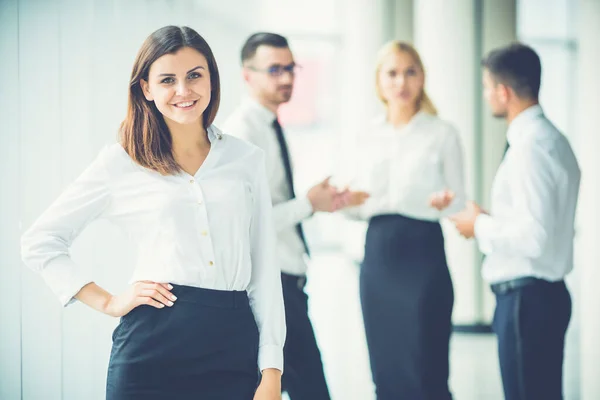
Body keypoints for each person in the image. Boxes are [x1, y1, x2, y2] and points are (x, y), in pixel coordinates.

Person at [21, 25, 284, 400]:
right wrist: (109, 302)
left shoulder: (246, 159)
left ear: (212, 77)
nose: (184, 91)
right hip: (152, 349)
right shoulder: (121, 162)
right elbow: (40, 242)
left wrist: (272, 371)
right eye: (167, 80)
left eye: (195, 75)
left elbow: (265, 272)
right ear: (146, 88)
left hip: (232, 343)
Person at [223, 32, 366, 400]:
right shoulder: (243, 132)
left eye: (291, 68)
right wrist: (308, 203)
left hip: (287, 281)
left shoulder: (270, 126)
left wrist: (319, 201)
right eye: (275, 69)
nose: (286, 78)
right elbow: (249, 221)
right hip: (273, 284)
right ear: (247, 75)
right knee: (309, 389)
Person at [450, 43, 580, 400]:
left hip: (527, 302)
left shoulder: (530, 148)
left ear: (503, 92)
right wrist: (486, 219)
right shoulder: (553, 140)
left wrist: (478, 226)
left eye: (486, 87)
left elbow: (534, 237)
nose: (486, 95)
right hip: (541, 296)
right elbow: (539, 222)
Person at [343, 40, 465, 400]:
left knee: (427, 369)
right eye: (392, 73)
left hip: (424, 253)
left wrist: (446, 202)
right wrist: (346, 201)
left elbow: (457, 202)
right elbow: (352, 206)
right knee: (386, 368)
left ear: (422, 77)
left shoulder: (442, 132)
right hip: (379, 255)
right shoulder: (365, 135)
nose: (401, 82)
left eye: (410, 72)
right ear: (378, 81)